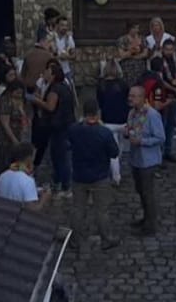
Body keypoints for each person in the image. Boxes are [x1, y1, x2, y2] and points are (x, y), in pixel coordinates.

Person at [67, 99, 121, 251]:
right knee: (101, 210)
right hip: (100, 176)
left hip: (79, 175)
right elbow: (114, 152)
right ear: (98, 113)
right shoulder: (104, 132)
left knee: (78, 209)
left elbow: (69, 143)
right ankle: (106, 238)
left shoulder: (74, 129)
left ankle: (75, 240)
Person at [30, 64, 77, 197]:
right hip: (65, 124)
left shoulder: (55, 89)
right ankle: (59, 183)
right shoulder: (63, 86)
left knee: (60, 157)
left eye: (47, 72)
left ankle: (65, 186)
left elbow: (50, 107)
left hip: (59, 127)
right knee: (59, 156)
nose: (44, 73)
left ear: (53, 75)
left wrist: (36, 100)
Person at [126, 85, 166, 236]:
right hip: (136, 159)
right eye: (130, 96)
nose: (130, 99)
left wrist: (142, 141)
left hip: (148, 161)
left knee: (148, 193)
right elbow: (132, 129)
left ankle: (150, 226)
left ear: (143, 98)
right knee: (141, 191)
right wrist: (127, 132)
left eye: (133, 96)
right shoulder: (132, 113)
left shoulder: (152, 115)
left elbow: (160, 137)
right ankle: (146, 218)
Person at [97, 60, 130, 186]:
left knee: (113, 150)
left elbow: (100, 103)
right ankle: (116, 170)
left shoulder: (101, 85)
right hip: (123, 119)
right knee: (120, 147)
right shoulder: (123, 84)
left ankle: (116, 176)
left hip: (108, 120)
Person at [0, 142, 51, 212]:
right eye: (33, 157)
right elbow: (32, 210)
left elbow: (14, 189)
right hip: (17, 216)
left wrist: (36, 190)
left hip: (2, 214)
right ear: (29, 158)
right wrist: (43, 199)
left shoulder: (3, 175)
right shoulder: (28, 180)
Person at [0, 80, 31, 179]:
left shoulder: (22, 101)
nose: (19, 95)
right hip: (5, 138)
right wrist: (14, 140)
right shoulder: (5, 101)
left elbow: (26, 119)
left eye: (21, 93)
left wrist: (21, 110)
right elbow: (5, 124)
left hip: (19, 134)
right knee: (4, 163)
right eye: (17, 93)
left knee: (16, 164)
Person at [159, 40, 176, 161]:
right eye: (167, 49)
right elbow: (160, 81)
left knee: (171, 124)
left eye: (171, 49)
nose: (169, 52)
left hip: (175, 96)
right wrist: (175, 89)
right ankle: (160, 152)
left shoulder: (175, 60)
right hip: (164, 96)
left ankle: (168, 151)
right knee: (162, 124)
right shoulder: (159, 61)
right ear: (163, 49)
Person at [117, 21, 148, 87]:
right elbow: (122, 55)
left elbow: (145, 54)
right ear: (129, 29)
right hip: (127, 63)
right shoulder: (122, 40)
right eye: (134, 28)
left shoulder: (142, 39)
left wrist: (135, 57)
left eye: (137, 28)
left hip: (140, 62)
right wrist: (131, 51)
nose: (136, 30)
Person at [53, 16, 76, 81]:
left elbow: (74, 56)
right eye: (62, 25)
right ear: (57, 26)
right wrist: (58, 57)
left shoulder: (69, 38)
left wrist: (67, 57)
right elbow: (47, 55)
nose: (65, 28)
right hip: (54, 73)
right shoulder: (52, 37)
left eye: (66, 25)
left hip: (66, 72)